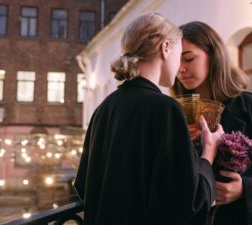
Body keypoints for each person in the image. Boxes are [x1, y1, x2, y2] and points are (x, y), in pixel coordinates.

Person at [74, 13, 224, 225]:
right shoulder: (166, 109)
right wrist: (209, 152)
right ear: (165, 48)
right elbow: (189, 204)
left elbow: (83, 185)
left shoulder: (103, 108)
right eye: (179, 55)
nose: (180, 66)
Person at [171, 21, 252, 225]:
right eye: (175, 60)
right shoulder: (174, 113)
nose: (181, 69)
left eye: (188, 58)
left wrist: (245, 190)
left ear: (213, 56)